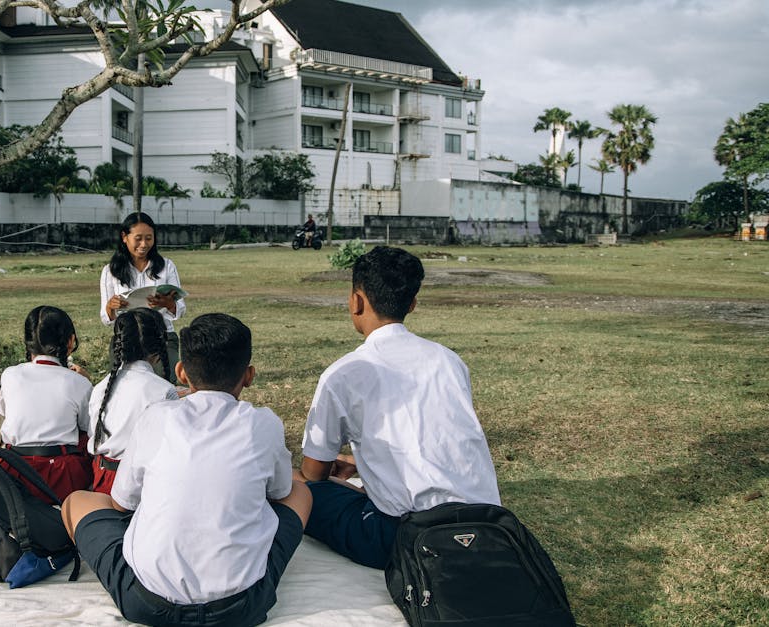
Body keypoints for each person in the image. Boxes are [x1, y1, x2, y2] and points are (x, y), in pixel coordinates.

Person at [62, 313, 312, 627]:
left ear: (181, 372)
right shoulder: (263, 423)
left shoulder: (156, 417)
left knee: (78, 501)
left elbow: (120, 503)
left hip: (147, 602)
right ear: (248, 375)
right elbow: (280, 493)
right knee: (300, 490)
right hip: (240, 607)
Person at [296, 246, 500, 569]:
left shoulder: (342, 374)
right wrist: (362, 465)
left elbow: (314, 472)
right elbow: (437, 438)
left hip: (407, 538)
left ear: (356, 301)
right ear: (413, 303)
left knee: (300, 490)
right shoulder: (449, 361)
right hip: (485, 524)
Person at [0, 305, 94, 504]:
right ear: (71, 341)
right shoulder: (79, 383)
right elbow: (88, 427)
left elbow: (3, 412)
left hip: (14, 472)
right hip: (62, 477)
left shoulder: (10, 375)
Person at [88, 307, 178, 495]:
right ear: (159, 346)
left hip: (102, 477)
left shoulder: (101, 387)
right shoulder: (162, 390)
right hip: (138, 484)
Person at [100, 212, 185, 383]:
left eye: (149, 238)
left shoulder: (166, 266)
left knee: (165, 384)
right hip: (127, 338)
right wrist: (111, 307)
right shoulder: (111, 271)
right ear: (125, 237)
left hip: (162, 336)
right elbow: (106, 318)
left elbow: (180, 309)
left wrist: (169, 304)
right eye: (138, 238)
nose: (144, 244)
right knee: (123, 385)